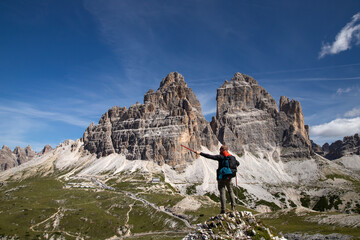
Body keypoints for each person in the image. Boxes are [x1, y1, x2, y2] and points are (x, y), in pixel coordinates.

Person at [196, 145, 239, 214]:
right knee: (230, 191)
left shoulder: (220, 157)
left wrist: (200, 153)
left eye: (220, 149)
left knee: (222, 193)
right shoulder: (232, 157)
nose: (219, 150)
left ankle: (223, 209)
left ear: (222, 150)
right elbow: (238, 163)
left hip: (221, 177)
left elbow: (210, 156)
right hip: (229, 177)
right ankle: (233, 206)